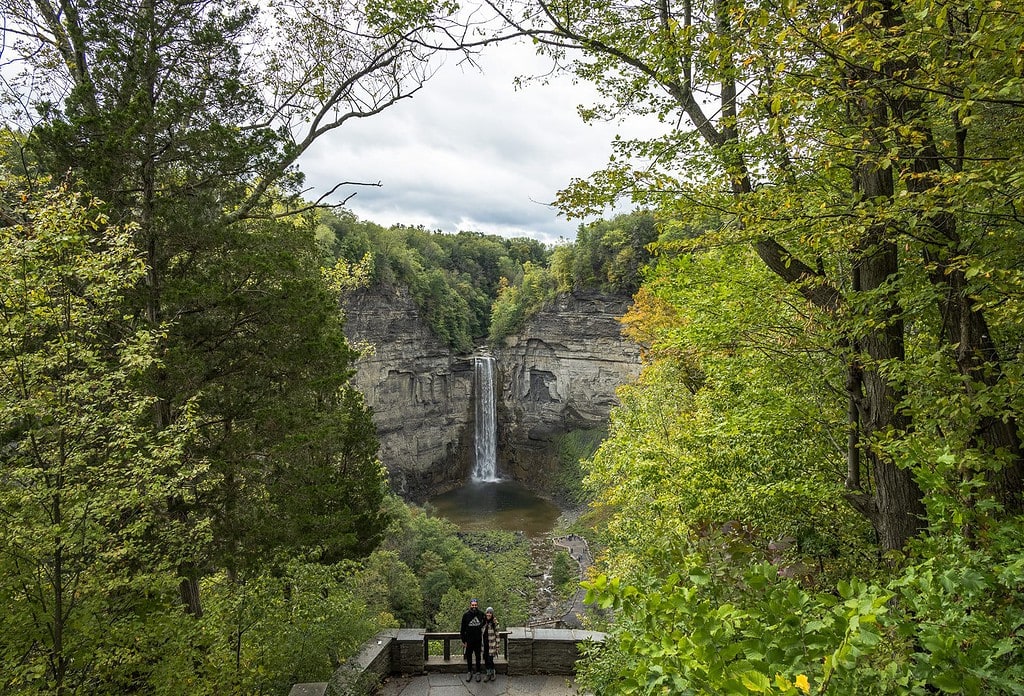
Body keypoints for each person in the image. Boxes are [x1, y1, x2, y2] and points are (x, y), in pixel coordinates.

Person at [460, 598, 484, 681]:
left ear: (477, 605)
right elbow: (462, 629)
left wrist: (494, 621)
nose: (474, 606)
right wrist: (463, 641)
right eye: (473, 605)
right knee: (469, 657)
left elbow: (487, 622)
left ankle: (478, 672)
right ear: (470, 605)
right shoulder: (465, 615)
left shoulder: (481, 614)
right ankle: (469, 672)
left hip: (478, 640)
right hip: (469, 640)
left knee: (478, 657)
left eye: (475, 605)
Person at [481, 606, 500, 682]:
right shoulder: (484, 622)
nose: (488, 614)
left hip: (491, 645)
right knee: (486, 659)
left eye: (490, 613)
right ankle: (488, 673)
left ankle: (492, 672)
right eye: (487, 612)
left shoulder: (494, 623)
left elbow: (497, 635)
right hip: (484, 645)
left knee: (490, 660)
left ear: (492, 614)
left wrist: (498, 646)